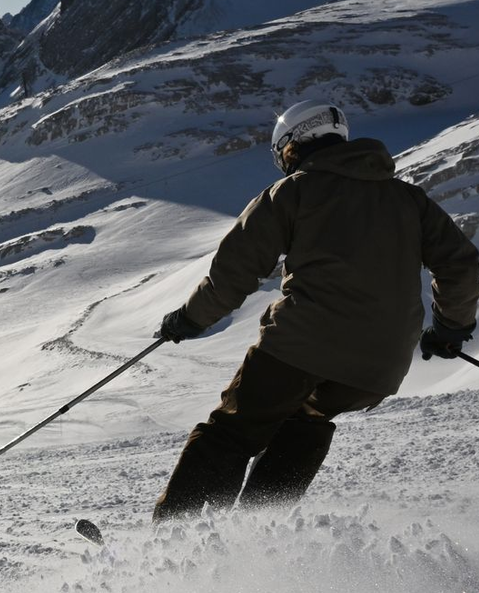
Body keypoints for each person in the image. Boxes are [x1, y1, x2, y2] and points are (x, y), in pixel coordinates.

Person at [153, 100, 478, 521]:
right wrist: (450, 328)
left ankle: (176, 542)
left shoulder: (293, 191)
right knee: (307, 421)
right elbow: (463, 267)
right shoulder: (409, 199)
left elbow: (234, 273)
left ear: (293, 146)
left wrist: (190, 318)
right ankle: (254, 540)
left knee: (234, 430)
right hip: (380, 366)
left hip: (301, 345)